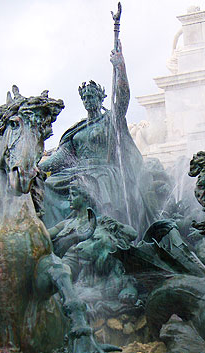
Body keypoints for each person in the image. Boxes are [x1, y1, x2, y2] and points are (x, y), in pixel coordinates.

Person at [40, 39, 148, 232]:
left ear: (100, 98)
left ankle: (101, 228)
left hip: (104, 170)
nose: (88, 100)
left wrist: (120, 66)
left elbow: (123, 96)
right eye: (85, 98)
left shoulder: (111, 118)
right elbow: (61, 157)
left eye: (92, 97)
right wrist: (37, 167)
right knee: (48, 184)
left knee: (94, 184)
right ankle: (56, 229)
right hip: (77, 170)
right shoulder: (78, 129)